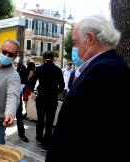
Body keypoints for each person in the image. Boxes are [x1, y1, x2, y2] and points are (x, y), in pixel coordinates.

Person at [45, 15, 130, 162]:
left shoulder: (103, 71)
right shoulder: (109, 65)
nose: (74, 48)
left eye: (75, 42)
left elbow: (82, 132)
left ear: (90, 39)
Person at [32, 51, 65, 151]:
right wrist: (57, 93)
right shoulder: (58, 70)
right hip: (52, 99)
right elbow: (62, 85)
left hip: (41, 97)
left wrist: (33, 92)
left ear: (43, 58)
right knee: (50, 121)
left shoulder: (40, 69)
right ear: (53, 58)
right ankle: (46, 142)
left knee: (40, 118)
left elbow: (32, 81)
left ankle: (39, 138)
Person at [13, 53, 29, 143]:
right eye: (15, 56)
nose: (16, 58)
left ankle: (22, 134)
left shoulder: (22, 68)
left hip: (18, 95)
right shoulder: (7, 67)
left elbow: (25, 81)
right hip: (7, 96)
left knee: (19, 115)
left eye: (18, 56)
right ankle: (2, 133)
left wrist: (20, 90)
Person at [22, 51, 35, 119]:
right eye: (25, 55)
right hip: (28, 84)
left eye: (26, 55)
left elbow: (31, 73)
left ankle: (28, 113)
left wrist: (27, 80)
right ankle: (27, 112)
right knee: (25, 99)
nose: (25, 56)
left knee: (27, 99)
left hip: (29, 84)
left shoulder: (31, 63)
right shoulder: (28, 63)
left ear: (29, 56)